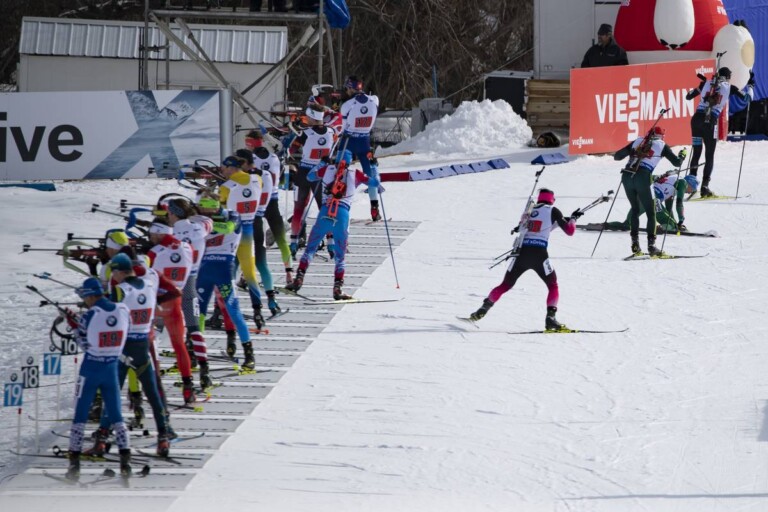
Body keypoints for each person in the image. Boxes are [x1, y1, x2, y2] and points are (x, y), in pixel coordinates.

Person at [94, 253, 175, 457]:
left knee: (112, 394)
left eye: (114, 272)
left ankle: (102, 439)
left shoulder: (120, 290)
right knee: (153, 395)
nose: (114, 276)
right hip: (143, 346)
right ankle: (163, 437)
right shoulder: (149, 284)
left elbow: (108, 315)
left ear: (120, 271)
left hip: (125, 348)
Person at [467, 189, 579, 331]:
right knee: (553, 286)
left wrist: (563, 220)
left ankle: (482, 310)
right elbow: (570, 231)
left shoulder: (529, 211)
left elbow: (536, 227)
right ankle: (550, 319)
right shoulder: (553, 210)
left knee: (505, 285)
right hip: (539, 254)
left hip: (521, 254)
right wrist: (573, 219)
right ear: (552, 199)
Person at [286, 150, 381, 300]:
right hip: (342, 215)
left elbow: (310, 176)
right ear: (350, 162)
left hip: (325, 211)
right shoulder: (355, 173)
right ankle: (337, 288)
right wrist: (374, 167)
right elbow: (375, 183)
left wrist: (321, 164)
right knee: (340, 256)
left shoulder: (327, 169)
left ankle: (299, 278)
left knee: (310, 249)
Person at [66, 277, 131, 481]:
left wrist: (73, 325)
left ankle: (74, 467)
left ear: (90, 296)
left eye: (85, 297)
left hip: (91, 369)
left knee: (80, 416)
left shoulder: (91, 314)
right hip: (111, 368)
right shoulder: (123, 309)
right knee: (117, 416)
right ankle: (125, 463)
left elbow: (84, 343)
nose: (84, 301)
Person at [195, 192, 256, 369]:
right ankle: (195, 352)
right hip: (204, 270)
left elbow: (228, 228)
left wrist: (203, 224)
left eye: (205, 209)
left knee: (234, 311)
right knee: (198, 314)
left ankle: (249, 354)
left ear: (214, 207)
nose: (202, 212)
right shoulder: (199, 219)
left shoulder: (232, 215)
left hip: (224, 270)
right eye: (200, 209)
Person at [614, 126, 687, 255]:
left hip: (627, 176)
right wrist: (682, 156)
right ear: (661, 136)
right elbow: (677, 163)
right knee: (651, 212)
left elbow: (617, 156)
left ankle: (635, 244)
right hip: (643, 177)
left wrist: (633, 151)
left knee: (635, 210)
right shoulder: (662, 145)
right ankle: (651, 246)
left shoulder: (638, 141)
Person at [146, 217, 197, 403]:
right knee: (179, 345)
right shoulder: (187, 247)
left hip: (156, 303)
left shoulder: (153, 252)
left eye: (153, 234)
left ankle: (156, 389)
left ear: (160, 233)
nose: (151, 237)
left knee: (151, 345)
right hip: (176, 301)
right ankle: (188, 388)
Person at [165, 197, 213, 390]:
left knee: (154, 330)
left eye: (169, 213)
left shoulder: (170, 233)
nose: (167, 216)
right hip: (190, 282)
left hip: (170, 286)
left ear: (174, 213)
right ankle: (205, 372)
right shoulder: (200, 228)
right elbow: (209, 221)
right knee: (194, 329)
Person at [686, 67, 754, 197]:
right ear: (727, 77)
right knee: (709, 155)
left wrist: (700, 86)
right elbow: (748, 99)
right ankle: (704, 187)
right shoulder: (730, 87)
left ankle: (690, 186)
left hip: (697, 120)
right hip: (710, 122)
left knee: (696, 153)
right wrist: (751, 85)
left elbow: (688, 96)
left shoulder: (706, 83)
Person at [219, 155, 266, 329]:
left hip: (231, 233)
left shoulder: (225, 187)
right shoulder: (256, 179)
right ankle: (257, 311)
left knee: (225, 275)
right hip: (249, 230)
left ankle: (220, 313)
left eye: (224, 168)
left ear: (231, 168)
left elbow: (218, 211)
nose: (222, 171)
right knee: (250, 273)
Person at [241, 139, 294, 285]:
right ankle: (289, 273)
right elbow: (281, 180)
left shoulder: (251, 163)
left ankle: (244, 275)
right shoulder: (274, 158)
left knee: (253, 242)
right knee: (282, 241)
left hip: (257, 206)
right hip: (272, 203)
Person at [284, 107, 335, 257]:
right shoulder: (331, 131)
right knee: (325, 209)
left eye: (308, 117)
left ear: (312, 118)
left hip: (305, 172)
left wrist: (287, 143)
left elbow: (290, 150)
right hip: (322, 173)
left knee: (299, 208)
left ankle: (294, 242)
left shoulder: (305, 133)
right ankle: (331, 243)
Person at [340, 75, 381, 221]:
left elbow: (342, 127)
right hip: (364, 141)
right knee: (370, 174)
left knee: (340, 173)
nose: (346, 91)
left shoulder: (347, 105)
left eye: (347, 89)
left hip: (348, 141)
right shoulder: (374, 100)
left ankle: (337, 208)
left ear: (351, 88)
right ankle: (374, 208)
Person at [603, 174, 699, 233]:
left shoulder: (673, 184)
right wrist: (680, 220)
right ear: (689, 184)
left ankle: (605, 225)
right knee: (669, 224)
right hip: (653, 198)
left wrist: (675, 222)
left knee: (628, 224)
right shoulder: (683, 182)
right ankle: (661, 228)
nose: (690, 192)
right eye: (692, 189)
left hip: (641, 195)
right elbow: (679, 203)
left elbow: (669, 209)